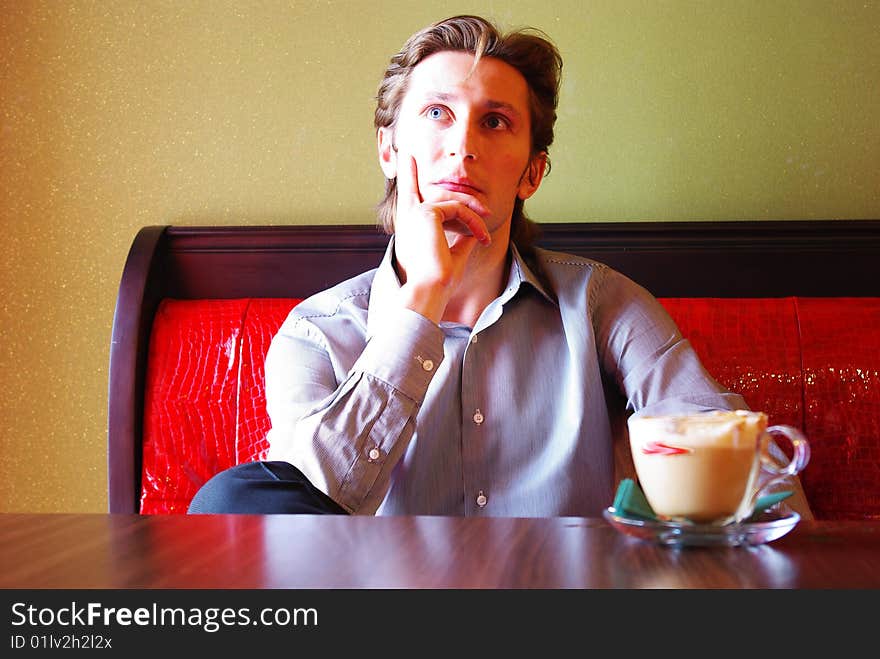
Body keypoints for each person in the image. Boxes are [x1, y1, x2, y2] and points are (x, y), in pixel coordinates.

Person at [189, 14, 812, 518]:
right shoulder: (316, 332)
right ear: (388, 148)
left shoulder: (601, 303)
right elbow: (308, 507)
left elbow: (746, 469)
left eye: (495, 122)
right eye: (437, 113)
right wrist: (423, 299)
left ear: (531, 173)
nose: (464, 145)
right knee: (233, 502)